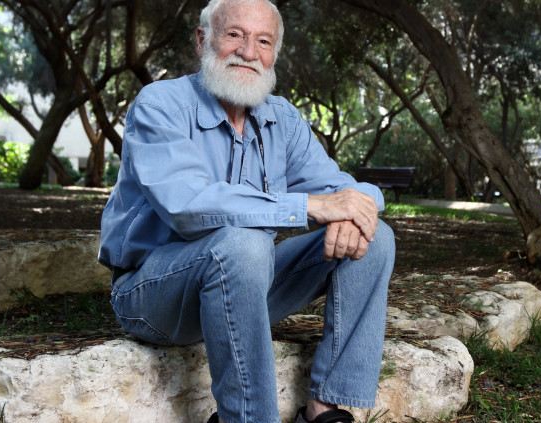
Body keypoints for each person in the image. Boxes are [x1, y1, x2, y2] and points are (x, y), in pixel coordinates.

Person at [98, 0, 395, 422]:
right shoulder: (160, 105)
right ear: (203, 39)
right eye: (234, 34)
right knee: (244, 243)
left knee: (375, 236)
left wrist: (359, 206)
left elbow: (344, 189)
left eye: (263, 41)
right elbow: (188, 205)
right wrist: (311, 206)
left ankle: (325, 408)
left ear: (275, 53)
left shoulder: (282, 119)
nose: (248, 52)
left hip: (245, 287)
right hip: (154, 297)